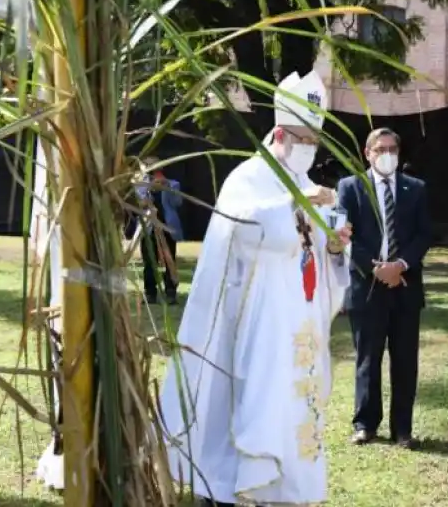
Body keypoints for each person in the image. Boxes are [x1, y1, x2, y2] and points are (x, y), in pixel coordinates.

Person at [159, 70, 351, 507]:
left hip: (300, 323)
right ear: (280, 134)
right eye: (303, 139)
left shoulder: (305, 183)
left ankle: (288, 491)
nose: (309, 149)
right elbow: (244, 233)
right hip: (255, 326)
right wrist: (297, 205)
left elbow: (316, 253)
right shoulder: (247, 178)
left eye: (315, 142)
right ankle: (239, 487)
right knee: (257, 410)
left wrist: (336, 249)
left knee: (294, 412)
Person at [337, 128, 432, 449]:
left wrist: (400, 265)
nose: (387, 154)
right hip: (367, 287)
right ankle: (365, 423)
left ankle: (402, 429)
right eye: (380, 149)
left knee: (405, 360)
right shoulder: (350, 187)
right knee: (368, 358)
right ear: (368, 153)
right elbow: (345, 234)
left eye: (393, 148)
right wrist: (376, 269)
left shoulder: (416, 188)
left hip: (405, 284)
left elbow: (423, 234)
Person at [137, 156, 184, 304]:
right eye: (148, 166)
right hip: (149, 228)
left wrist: (167, 188)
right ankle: (150, 293)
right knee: (149, 262)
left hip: (167, 227)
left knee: (169, 260)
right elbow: (138, 205)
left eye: (154, 166)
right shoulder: (140, 186)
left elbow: (178, 203)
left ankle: (171, 293)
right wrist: (148, 193)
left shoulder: (174, 184)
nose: (152, 169)